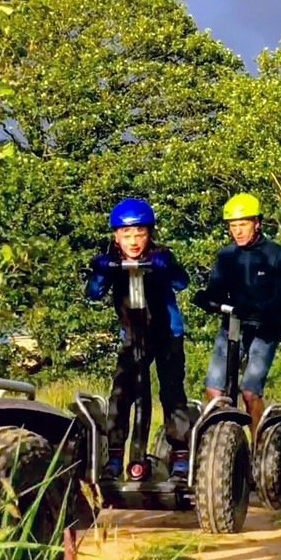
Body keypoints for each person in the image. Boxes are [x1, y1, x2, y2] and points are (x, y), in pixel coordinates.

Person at [85, 198, 191, 481]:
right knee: (121, 393)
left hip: (167, 334)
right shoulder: (113, 261)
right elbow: (93, 293)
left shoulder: (159, 256)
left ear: (149, 234)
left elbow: (183, 282)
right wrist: (99, 271)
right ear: (116, 236)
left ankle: (181, 459)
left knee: (171, 393)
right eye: (126, 234)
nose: (133, 240)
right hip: (134, 337)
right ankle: (116, 457)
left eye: (140, 233)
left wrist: (166, 266)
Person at [194, 193, 281, 436]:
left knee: (249, 391)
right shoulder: (227, 256)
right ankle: (217, 444)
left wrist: (263, 310)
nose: (237, 231)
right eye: (233, 226)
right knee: (214, 391)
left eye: (243, 225)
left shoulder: (275, 255)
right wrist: (207, 300)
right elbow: (216, 292)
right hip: (233, 324)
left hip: (265, 330)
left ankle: (257, 446)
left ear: (257, 223)